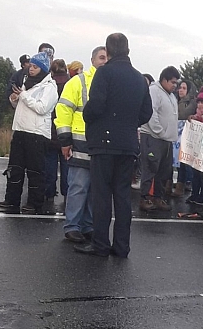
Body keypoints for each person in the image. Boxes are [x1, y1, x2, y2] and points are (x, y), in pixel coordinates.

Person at [75, 33, 152, 257]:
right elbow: (146, 112)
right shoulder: (139, 78)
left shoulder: (104, 73)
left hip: (104, 142)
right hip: (128, 143)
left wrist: (88, 117)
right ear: (128, 50)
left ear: (107, 52)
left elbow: (96, 106)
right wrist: (128, 124)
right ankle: (121, 246)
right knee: (122, 195)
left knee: (101, 195)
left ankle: (100, 243)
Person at [54, 46, 108, 243]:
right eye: (101, 57)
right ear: (92, 60)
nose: (104, 61)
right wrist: (65, 140)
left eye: (107, 58)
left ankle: (87, 226)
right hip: (79, 142)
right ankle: (72, 226)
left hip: (100, 144)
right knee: (79, 186)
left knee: (95, 188)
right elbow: (63, 110)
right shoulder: (79, 81)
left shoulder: (110, 83)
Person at [0, 51, 59, 214]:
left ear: (43, 68)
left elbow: (42, 108)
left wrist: (23, 96)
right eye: (30, 66)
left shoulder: (50, 87)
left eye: (35, 66)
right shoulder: (26, 83)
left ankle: (34, 202)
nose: (30, 69)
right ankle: (11, 200)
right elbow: (22, 105)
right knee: (15, 168)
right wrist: (14, 99)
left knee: (35, 171)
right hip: (20, 130)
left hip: (37, 133)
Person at [138, 66, 180, 212]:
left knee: (163, 171)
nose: (175, 86)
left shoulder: (171, 95)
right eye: (172, 82)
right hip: (153, 138)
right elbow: (151, 113)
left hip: (166, 140)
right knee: (150, 168)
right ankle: (144, 198)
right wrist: (160, 131)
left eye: (176, 83)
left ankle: (158, 197)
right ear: (163, 80)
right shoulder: (154, 91)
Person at [44, 59, 71, 214]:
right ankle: (67, 194)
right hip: (65, 132)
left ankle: (48, 194)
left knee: (50, 166)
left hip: (50, 131)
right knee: (67, 167)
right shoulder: (71, 85)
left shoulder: (49, 85)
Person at [174, 78, 198, 196]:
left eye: (184, 88)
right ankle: (175, 185)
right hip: (175, 133)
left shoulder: (191, 102)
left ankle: (183, 184)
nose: (180, 90)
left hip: (185, 134)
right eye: (180, 87)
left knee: (184, 162)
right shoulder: (175, 99)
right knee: (175, 161)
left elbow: (183, 114)